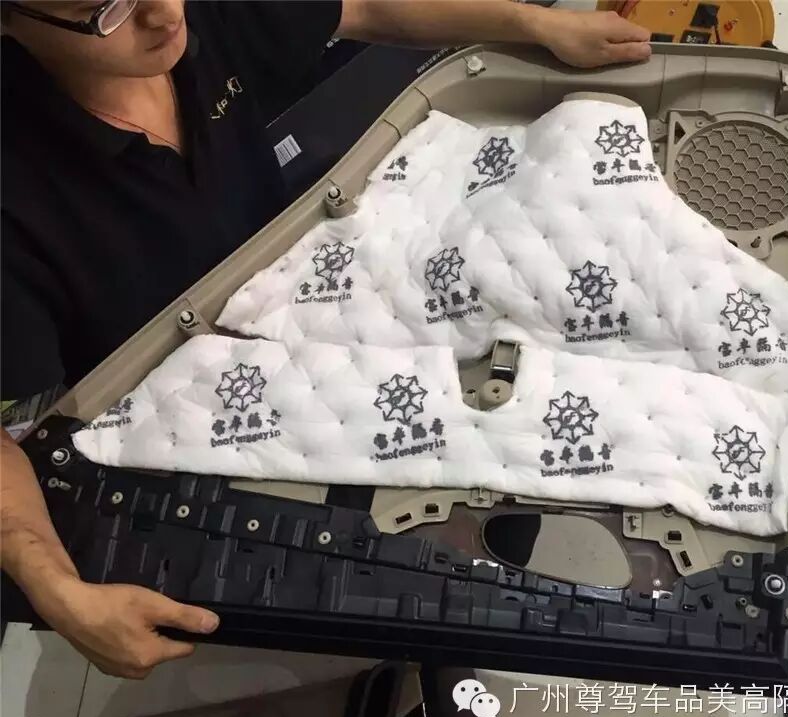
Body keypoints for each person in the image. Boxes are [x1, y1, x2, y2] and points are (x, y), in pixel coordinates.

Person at [0, 0, 651, 679]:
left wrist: (535, 24)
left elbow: (361, 8)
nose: (163, 16)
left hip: (304, 317)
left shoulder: (199, 14)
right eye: (105, 8)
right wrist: (58, 590)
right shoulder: (17, 196)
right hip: (182, 440)